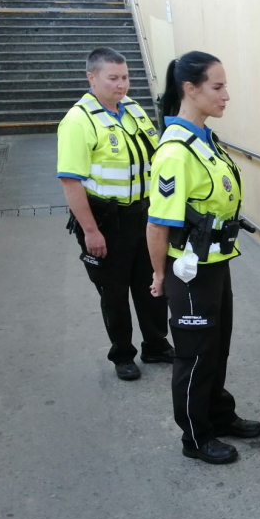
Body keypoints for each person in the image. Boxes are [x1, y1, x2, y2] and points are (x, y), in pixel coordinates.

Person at [146, 51, 260, 465]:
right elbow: (157, 224)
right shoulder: (176, 151)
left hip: (215, 263)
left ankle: (217, 414)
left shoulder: (204, 140)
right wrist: (160, 275)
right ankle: (194, 437)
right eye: (218, 86)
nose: (226, 95)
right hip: (189, 271)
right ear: (190, 90)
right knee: (194, 355)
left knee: (217, 347)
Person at [57, 46, 173, 381]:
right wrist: (91, 231)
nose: (121, 85)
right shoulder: (78, 121)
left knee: (152, 284)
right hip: (106, 222)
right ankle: (123, 354)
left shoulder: (133, 109)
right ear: (91, 78)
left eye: (125, 77)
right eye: (113, 78)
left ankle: (156, 344)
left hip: (144, 215)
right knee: (114, 293)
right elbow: (71, 182)